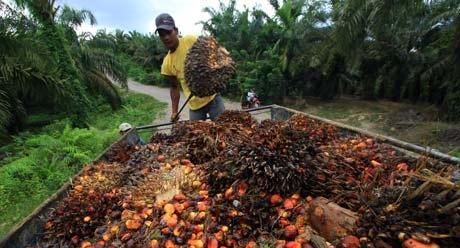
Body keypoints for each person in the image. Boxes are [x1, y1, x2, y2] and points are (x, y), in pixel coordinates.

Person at [155, 13, 225, 121]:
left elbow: (211, 50)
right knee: (195, 136)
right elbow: (174, 87)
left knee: (224, 129)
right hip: (194, 106)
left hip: (213, 98)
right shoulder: (167, 63)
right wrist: (174, 111)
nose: (166, 37)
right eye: (162, 35)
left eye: (168, 32)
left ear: (176, 31)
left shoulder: (190, 40)